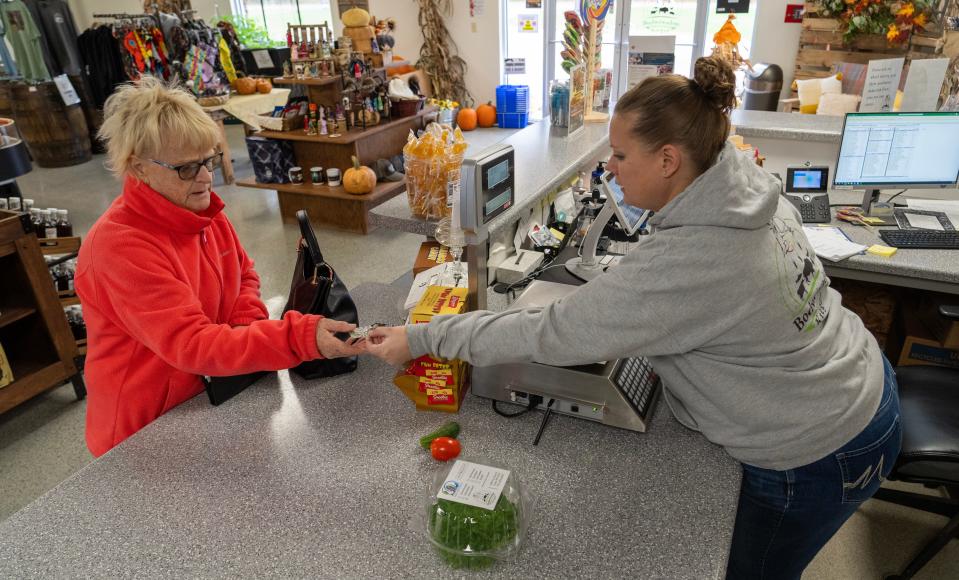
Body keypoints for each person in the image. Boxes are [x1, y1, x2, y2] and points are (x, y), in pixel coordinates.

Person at [368, 56, 901, 580]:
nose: (610, 168)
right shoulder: (744, 189)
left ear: (669, 159)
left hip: (819, 444)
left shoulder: (693, 259)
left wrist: (422, 337)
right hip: (859, 374)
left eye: (621, 155)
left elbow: (551, 332)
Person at [76, 77, 365, 457]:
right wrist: (296, 338)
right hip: (146, 430)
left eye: (208, 161)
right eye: (185, 168)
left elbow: (242, 274)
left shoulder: (201, 209)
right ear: (138, 168)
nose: (205, 178)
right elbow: (191, 343)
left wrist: (246, 325)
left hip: (209, 395)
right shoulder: (119, 246)